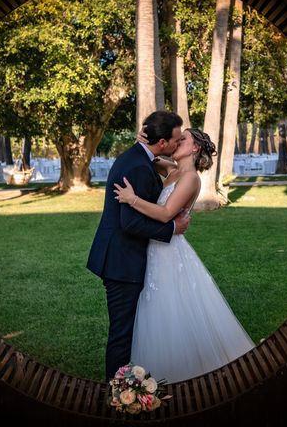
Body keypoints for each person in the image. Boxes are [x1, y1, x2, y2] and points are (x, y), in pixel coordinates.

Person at [113, 127, 255, 383]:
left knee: (171, 309)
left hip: (169, 253)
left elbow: (166, 214)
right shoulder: (173, 169)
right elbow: (152, 156)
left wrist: (132, 199)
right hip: (155, 248)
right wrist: (141, 141)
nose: (177, 140)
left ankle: (180, 376)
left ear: (194, 148)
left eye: (183, 138)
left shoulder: (190, 178)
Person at [86, 111, 190, 380]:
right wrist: (171, 228)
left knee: (128, 331)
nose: (178, 144)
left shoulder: (139, 158)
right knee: (122, 335)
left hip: (121, 257)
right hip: (122, 262)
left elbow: (159, 164)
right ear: (163, 142)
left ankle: (124, 387)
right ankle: (117, 394)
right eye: (176, 140)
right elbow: (130, 223)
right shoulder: (137, 167)